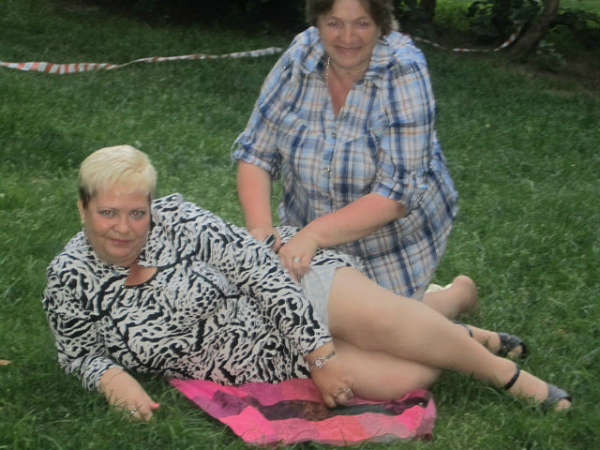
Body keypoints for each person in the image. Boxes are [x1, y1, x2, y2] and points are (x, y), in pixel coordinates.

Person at [43, 145, 570, 422]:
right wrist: (111, 378)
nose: (124, 227)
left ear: (151, 207)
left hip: (290, 288)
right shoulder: (67, 280)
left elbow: (259, 268)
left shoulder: (177, 219)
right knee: (401, 377)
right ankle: (452, 309)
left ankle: (508, 376)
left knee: (386, 321)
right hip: (261, 357)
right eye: (108, 212)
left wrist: (320, 355)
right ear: (83, 208)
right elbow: (77, 353)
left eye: (136, 212)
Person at [233, 0, 469, 318]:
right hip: (305, 225)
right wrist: (262, 229)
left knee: (379, 335)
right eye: (334, 23)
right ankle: (430, 315)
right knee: (300, 326)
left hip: (392, 239)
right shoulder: (300, 57)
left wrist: (314, 234)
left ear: (381, 24)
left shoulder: (403, 69)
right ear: (318, 21)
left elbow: (396, 195)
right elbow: (255, 153)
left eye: (361, 23)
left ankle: (458, 297)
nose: (347, 37)